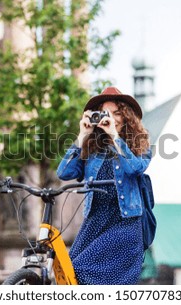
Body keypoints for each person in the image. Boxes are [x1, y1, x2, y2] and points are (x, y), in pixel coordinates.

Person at [56, 86, 152, 285]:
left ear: (127, 117)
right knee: (68, 273)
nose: (112, 118)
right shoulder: (91, 147)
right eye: (106, 113)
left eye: (117, 113)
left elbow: (135, 168)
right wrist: (82, 135)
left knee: (84, 271)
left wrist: (115, 137)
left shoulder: (139, 144)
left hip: (124, 222)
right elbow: (64, 173)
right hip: (95, 220)